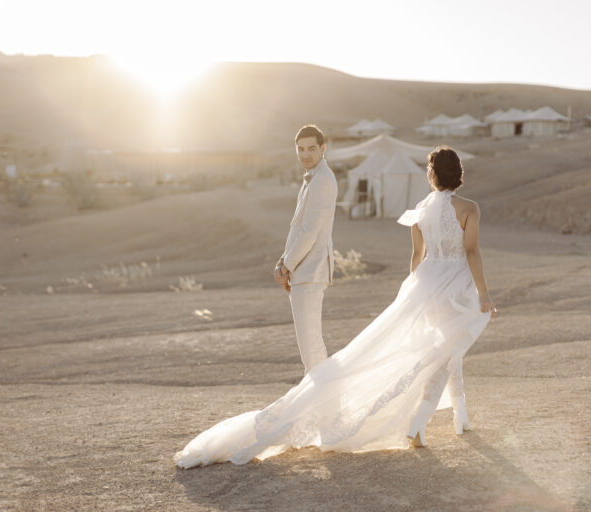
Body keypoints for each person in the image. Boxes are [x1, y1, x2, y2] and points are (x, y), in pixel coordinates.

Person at [175, 146, 496, 468]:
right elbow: (471, 252)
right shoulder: (469, 208)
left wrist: (414, 293)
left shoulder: (420, 209)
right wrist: (483, 293)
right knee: (446, 350)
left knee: (448, 348)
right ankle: (419, 421)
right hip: (455, 283)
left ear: (433, 174)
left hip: (425, 282)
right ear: (458, 174)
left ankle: (460, 416)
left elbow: (416, 257)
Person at [275, 125, 338, 374]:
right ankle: (323, 405)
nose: (306, 154)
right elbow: (298, 227)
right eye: (300, 149)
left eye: (312, 149)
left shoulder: (322, 179)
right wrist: (284, 261)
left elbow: (310, 231)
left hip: (310, 270)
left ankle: (325, 407)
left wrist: (286, 265)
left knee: (311, 347)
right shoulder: (313, 177)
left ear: (323, 149)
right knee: (309, 347)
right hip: (303, 270)